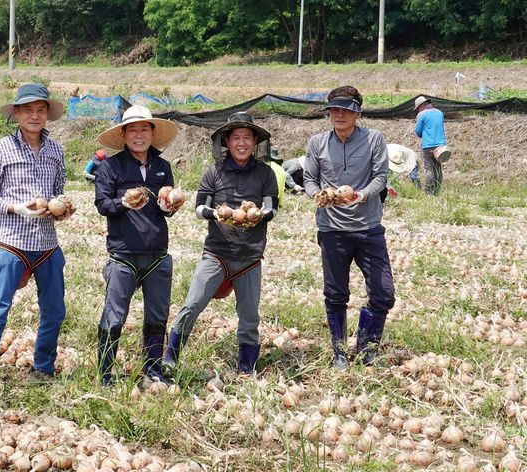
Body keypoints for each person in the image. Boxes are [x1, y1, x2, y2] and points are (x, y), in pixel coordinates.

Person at [0, 83, 68, 402]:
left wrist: (60, 207)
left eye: (40, 110)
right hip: (12, 242)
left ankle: (43, 368)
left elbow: (59, 190)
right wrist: (15, 207)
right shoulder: (0, 149)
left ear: (47, 115)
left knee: (55, 311)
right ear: (16, 114)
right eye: (28, 110)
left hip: (47, 244)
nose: (35, 116)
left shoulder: (56, 150)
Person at [164, 112, 279, 375]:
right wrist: (216, 213)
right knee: (192, 304)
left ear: (254, 142)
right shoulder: (213, 172)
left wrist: (259, 215)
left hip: (250, 257)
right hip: (217, 253)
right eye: (236, 137)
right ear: (226, 141)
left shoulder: (266, 174)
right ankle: (171, 355)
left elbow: (272, 208)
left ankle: (246, 366)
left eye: (246, 138)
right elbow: (198, 207)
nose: (241, 143)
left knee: (249, 316)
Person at [303, 85, 395, 370]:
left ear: (357, 112)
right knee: (335, 293)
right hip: (332, 229)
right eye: (334, 110)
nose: (339, 115)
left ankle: (368, 347)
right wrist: (318, 195)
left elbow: (381, 176)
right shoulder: (317, 143)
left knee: (383, 292)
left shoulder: (374, 139)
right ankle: (340, 351)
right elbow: (309, 179)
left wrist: (361, 195)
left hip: (368, 227)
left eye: (346, 109)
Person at [94, 104, 182, 386]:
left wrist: (171, 205)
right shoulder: (110, 166)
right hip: (123, 252)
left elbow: (165, 207)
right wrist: (124, 201)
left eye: (144, 128)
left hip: (157, 252)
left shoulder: (163, 167)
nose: (139, 134)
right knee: (114, 317)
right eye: (133, 129)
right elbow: (102, 205)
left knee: (157, 317)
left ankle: (153, 370)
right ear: (123, 134)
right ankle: (105, 374)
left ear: (152, 132)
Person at [414, 96, 447, 195]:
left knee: (429, 168)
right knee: (438, 167)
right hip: (441, 145)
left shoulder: (422, 114)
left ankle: (429, 190)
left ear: (421, 105)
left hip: (428, 145)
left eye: (418, 108)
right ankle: (437, 189)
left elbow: (418, 132)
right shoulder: (439, 112)